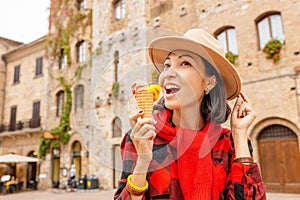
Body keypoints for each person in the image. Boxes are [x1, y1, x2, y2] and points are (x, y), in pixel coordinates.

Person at [114, 29, 266, 199]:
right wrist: (142, 162)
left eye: (185, 63)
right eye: (167, 65)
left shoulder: (229, 143)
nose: (169, 73)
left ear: (209, 82)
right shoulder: (142, 136)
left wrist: (239, 134)